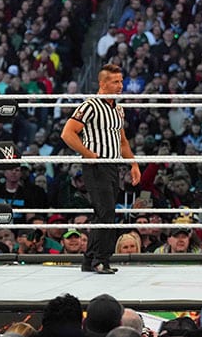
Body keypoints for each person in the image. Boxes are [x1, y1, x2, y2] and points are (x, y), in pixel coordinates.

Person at [60, 63, 142, 274]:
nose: (120, 85)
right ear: (103, 83)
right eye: (115, 81)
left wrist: (133, 163)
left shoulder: (119, 109)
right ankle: (100, 260)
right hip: (96, 166)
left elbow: (122, 141)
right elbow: (68, 133)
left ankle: (89, 260)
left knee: (104, 213)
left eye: (121, 81)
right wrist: (88, 154)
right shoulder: (90, 105)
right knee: (105, 212)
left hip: (113, 166)